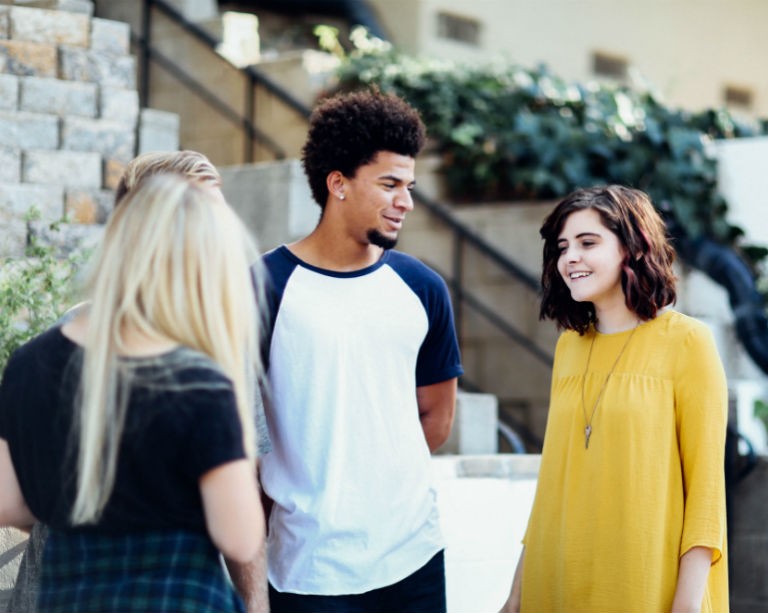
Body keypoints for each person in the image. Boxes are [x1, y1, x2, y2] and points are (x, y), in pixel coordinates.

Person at [5, 149, 271, 613]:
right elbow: (241, 533)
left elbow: (9, 504)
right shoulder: (209, 368)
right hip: (175, 596)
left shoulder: (35, 359)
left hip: (64, 595)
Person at [251, 89, 463, 612]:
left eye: (409, 187)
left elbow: (436, 418)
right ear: (337, 183)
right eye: (390, 184)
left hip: (412, 554)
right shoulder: (263, 285)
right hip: (307, 566)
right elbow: (238, 428)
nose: (405, 202)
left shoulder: (422, 288)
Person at [501, 185, 729, 612]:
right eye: (562, 247)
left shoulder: (688, 343)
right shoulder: (569, 347)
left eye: (588, 243)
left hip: (644, 585)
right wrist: (515, 597)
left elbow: (706, 495)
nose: (570, 258)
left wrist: (687, 605)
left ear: (634, 248)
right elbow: (552, 485)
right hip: (557, 583)